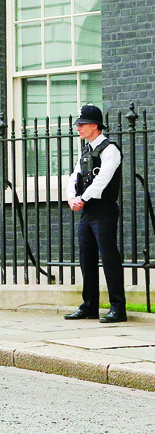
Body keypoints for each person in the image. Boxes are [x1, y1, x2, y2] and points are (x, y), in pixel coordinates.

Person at [64, 104, 126, 323]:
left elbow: (102, 180)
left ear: (94, 125)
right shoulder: (86, 150)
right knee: (86, 258)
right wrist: (71, 196)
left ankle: (118, 308)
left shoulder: (111, 149)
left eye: (81, 125)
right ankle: (89, 305)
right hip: (86, 211)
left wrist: (82, 198)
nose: (78, 128)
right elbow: (74, 175)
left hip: (103, 209)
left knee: (109, 258)